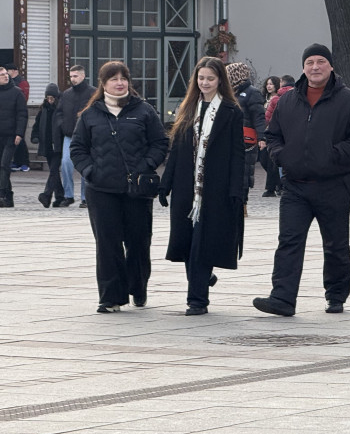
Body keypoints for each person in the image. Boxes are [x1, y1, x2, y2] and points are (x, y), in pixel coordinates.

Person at [253, 44, 350, 317]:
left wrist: (334, 155)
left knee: (335, 244)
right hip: (296, 186)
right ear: (303, 67)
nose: (315, 67)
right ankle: (282, 298)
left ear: (331, 66)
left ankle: (336, 294)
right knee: (289, 241)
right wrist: (282, 156)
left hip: (334, 184)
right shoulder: (288, 100)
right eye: (310, 62)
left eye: (321, 61)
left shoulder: (348, 100)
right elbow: (273, 135)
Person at [70, 62, 168, 313]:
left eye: (123, 78)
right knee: (107, 243)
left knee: (138, 241)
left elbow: (159, 143)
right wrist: (90, 170)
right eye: (113, 78)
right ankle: (111, 297)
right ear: (103, 83)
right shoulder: (90, 114)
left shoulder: (143, 111)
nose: (119, 82)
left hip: (137, 190)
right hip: (102, 190)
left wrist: (146, 165)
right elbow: (78, 148)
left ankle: (138, 286)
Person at [159, 57, 246, 315]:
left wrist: (237, 190)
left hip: (214, 189)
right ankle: (202, 279)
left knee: (202, 243)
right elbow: (176, 149)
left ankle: (197, 300)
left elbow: (237, 154)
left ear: (220, 80)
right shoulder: (188, 107)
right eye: (201, 78)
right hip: (187, 188)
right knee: (187, 243)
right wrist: (166, 185)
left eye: (210, 78)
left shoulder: (231, 112)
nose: (205, 83)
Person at [55, 65, 94, 207]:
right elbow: (59, 112)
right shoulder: (66, 94)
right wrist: (62, 124)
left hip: (88, 136)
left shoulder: (93, 93)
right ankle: (68, 195)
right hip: (69, 135)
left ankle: (86, 197)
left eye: (75, 76)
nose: (73, 79)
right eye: (71, 76)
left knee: (86, 165)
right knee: (66, 163)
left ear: (83, 76)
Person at [226, 63, 266, 201]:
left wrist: (262, 137)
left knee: (244, 170)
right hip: (229, 137)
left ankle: (242, 201)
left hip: (246, 139)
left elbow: (259, 117)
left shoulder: (251, 92)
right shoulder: (228, 91)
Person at [0, 64, 27, 207]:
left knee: (5, 165)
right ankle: (8, 198)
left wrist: (19, 133)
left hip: (11, 135)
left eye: (6, 74)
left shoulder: (17, 92)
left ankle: (2, 194)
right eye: (2, 75)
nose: (5, 76)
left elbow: (22, 114)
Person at [31, 83, 62, 207]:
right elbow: (37, 125)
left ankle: (46, 195)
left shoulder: (60, 110)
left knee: (54, 170)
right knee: (54, 172)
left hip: (58, 145)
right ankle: (60, 196)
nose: (50, 100)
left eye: (52, 98)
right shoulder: (43, 110)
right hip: (47, 145)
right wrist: (35, 136)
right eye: (48, 98)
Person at [260, 76, 283, 196]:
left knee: (271, 160)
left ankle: (271, 187)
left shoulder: (278, 99)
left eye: (271, 84)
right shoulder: (265, 99)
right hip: (263, 130)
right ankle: (277, 183)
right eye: (267, 84)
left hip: (272, 131)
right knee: (264, 159)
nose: (269, 86)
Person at [5, 63, 30, 171]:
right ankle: (16, 161)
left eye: (8, 71)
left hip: (18, 115)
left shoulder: (22, 83)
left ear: (13, 71)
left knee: (20, 140)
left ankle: (24, 162)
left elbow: (23, 99)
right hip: (9, 117)